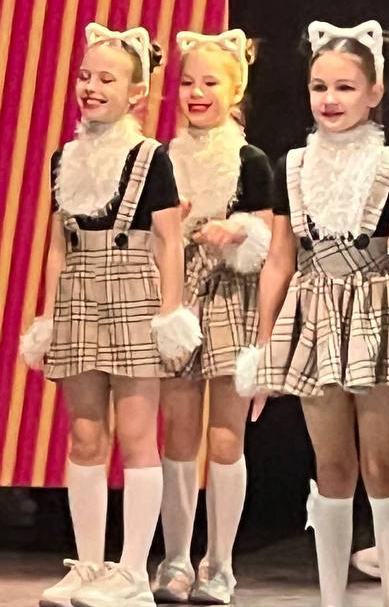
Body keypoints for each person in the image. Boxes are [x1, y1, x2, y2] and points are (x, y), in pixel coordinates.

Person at [236, 20, 389, 607]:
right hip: (316, 316)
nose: (330, 99)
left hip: (378, 313)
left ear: (374, 93)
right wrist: (263, 347)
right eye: (319, 86)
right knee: (330, 465)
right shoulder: (293, 165)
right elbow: (280, 259)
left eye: (345, 87)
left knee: (381, 463)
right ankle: (332, 598)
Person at [21, 23, 199, 607]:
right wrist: (50, 314)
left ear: (136, 93)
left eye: (106, 79)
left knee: (138, 434)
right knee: (84, 433)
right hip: (78, 291)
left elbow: (169, 241)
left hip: (132, 289)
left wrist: (169, 314)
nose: (91, 87)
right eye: (84, 76)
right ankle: (90, 565)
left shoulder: (151, 158)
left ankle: (132, 573)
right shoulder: (64, 157)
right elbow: (57, 244)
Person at [152, 30, 273, 605]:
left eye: (210, 82)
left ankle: (219, 564)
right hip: (178, 297)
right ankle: (175, 559)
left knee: (226, 436)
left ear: (236, 90)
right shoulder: (161, 158)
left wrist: (240, 229)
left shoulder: (250, 160)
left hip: (231, 297)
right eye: (186, 82)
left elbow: (271, 238)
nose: (196, 93)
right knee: (178, 430)